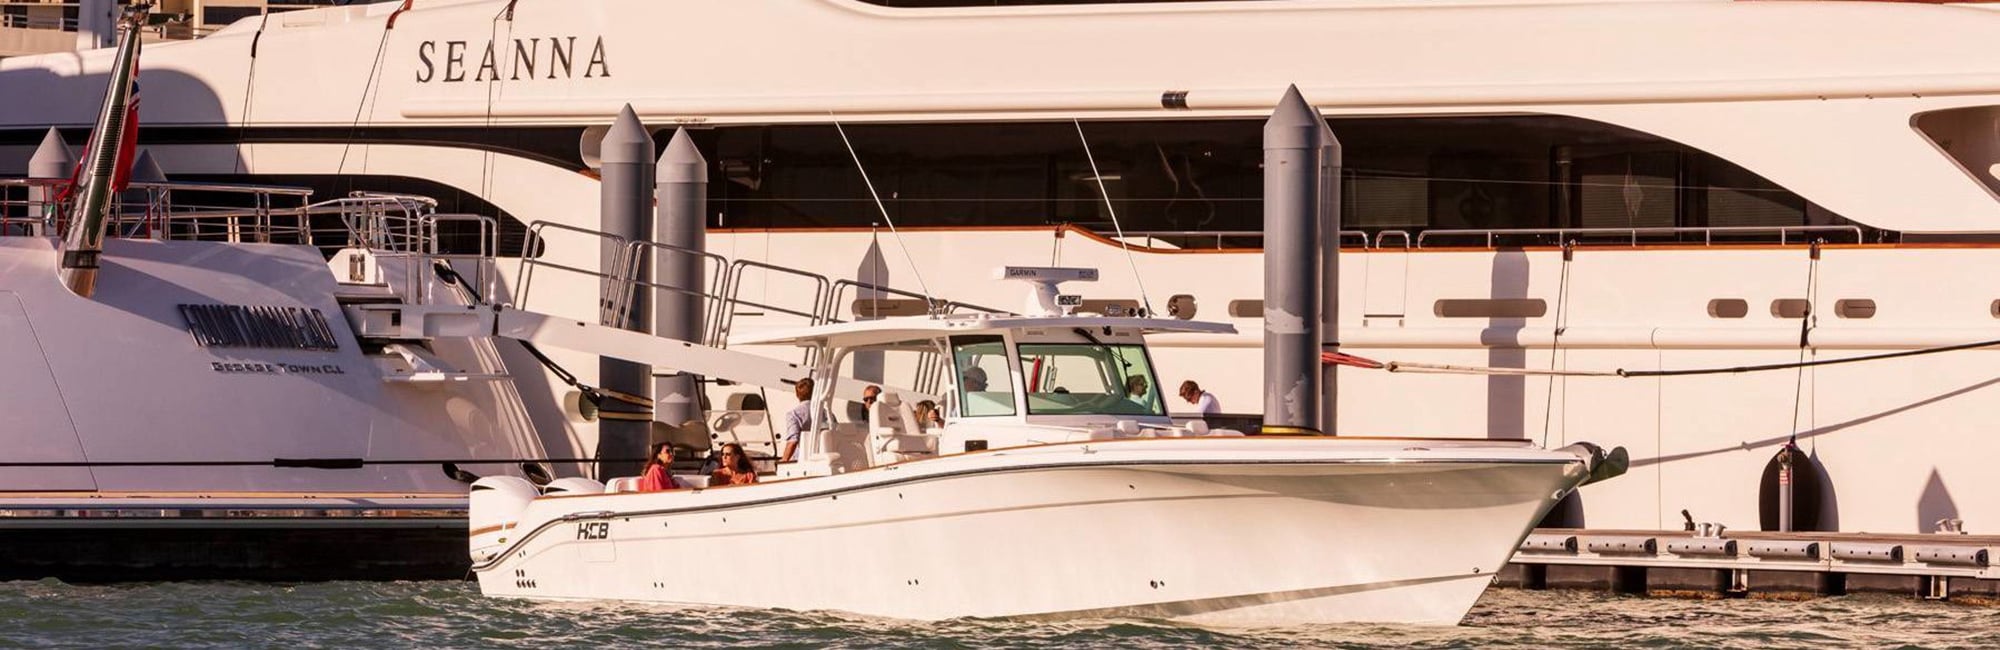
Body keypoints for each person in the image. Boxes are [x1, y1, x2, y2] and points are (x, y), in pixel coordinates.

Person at [781, 377, 814, 462]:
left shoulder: (794, 414)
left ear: (797, 395)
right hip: (822, 460)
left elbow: (793, 441)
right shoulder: (827, 414)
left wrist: (783, 461)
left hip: (801, 462)